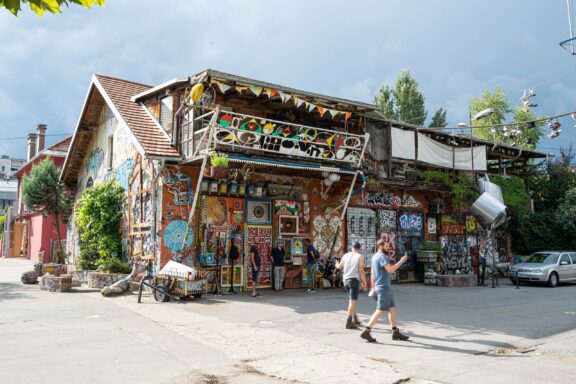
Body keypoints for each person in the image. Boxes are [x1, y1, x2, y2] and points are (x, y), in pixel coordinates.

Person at [361, 239, 410, 343]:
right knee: (381, 309)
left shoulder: (374, 257)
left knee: (391, 309)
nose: (388, 248)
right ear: (380, 246)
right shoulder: (382, 257)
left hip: (380, 287)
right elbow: (391, 270)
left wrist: (373, 287)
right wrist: (401, 261)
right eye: (386, 246)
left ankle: (395, 332)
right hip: (383, 288)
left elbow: (373, 272)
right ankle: (367, 330)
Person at [336, 241, 367, 329]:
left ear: (352, 248)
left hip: (346, 281)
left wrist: (336, 264)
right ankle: (349, 321)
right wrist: (364, 282)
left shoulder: (345, 255)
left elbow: (339, 267)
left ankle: (354, 318)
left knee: (352, 300)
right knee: (352, 301)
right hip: (354, 280)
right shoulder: (359, 256)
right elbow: (361, 269)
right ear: (359, 248)